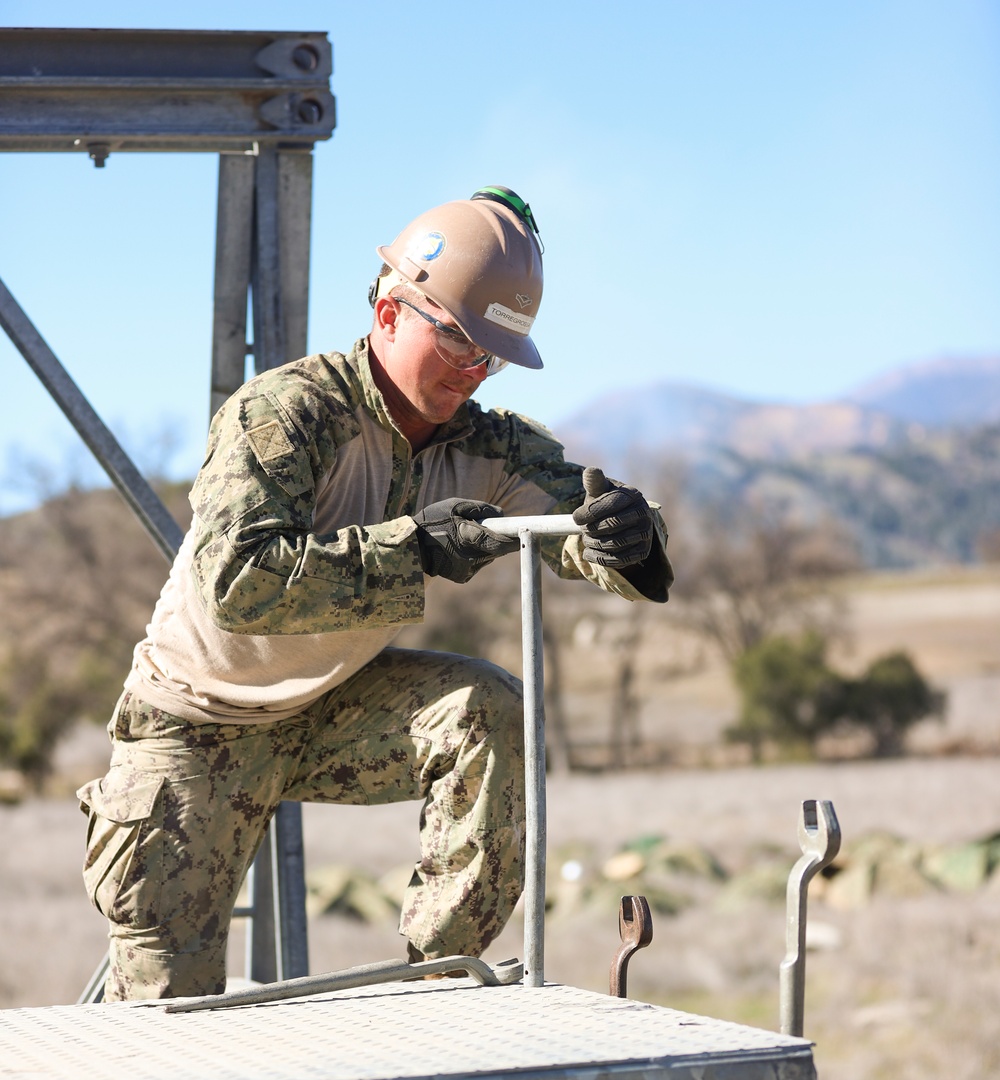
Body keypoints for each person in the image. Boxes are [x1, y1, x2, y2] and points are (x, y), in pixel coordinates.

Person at [78, 187, 673, 1001]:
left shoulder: (487, 446)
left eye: (488, 355)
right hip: (195, 728)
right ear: (391, 311)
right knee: (161, 1035)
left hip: (328, 714)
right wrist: (414, 547)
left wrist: (630, 543)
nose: (471, 371)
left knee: (489, 709)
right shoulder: (288, 414)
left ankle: (437, 982)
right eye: (458, 339)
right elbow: (238, 584)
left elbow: (580, 526)